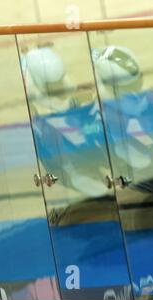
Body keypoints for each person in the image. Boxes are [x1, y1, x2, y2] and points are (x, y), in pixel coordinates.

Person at [93, 45, 153, 193]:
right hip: (123, 149)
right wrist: (149, 100)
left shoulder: (114, 86)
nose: (138, 85)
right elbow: (132, 113)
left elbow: (135, 105)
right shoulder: (107, 101)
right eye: (132, 84)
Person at [22, 46, 109, 198]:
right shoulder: (32, 92)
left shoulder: (58, 78)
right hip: (55, 149)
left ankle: (93, 155)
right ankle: (71, 171)